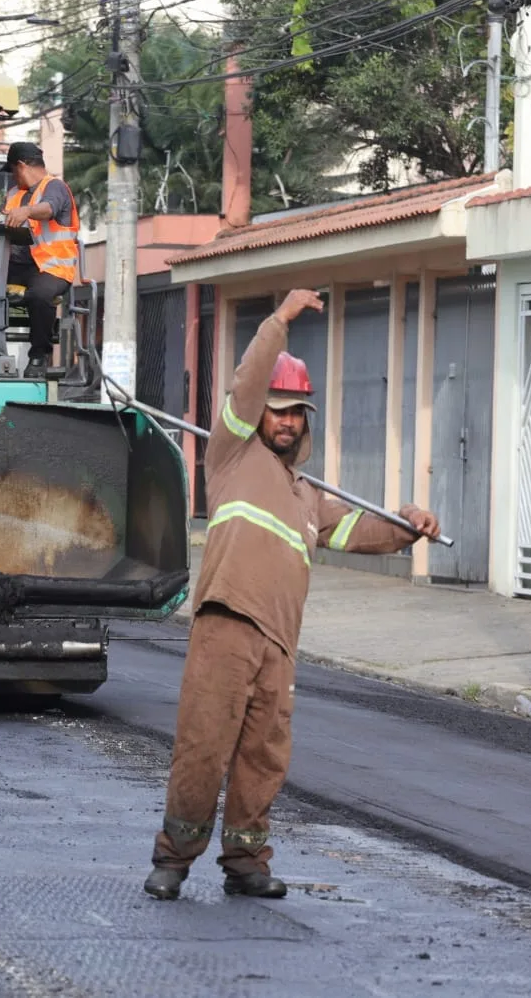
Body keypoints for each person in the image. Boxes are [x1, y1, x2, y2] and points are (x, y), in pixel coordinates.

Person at [144, 289, 441, 900]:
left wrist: (412, 524)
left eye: (295, 411)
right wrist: (278, 320)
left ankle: (246, 864)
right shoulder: (230, 457)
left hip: (279, 645)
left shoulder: (308, 497)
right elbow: (246, 385)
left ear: (306, 420)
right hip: (225, 625)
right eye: (277, 409)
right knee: (203, 748)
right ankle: (173, 861)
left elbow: (362, 529)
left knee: (263, 758)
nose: (285, 419)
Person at [1, 141, 80, 379]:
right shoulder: (14, 194)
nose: (13, 178)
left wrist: (26, 211)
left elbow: (49, 209)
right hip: (19, 265)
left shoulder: (55, 187)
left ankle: (39, 356)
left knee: (40, 295)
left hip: (53, 267)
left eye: (13, 171)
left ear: (22, 166)